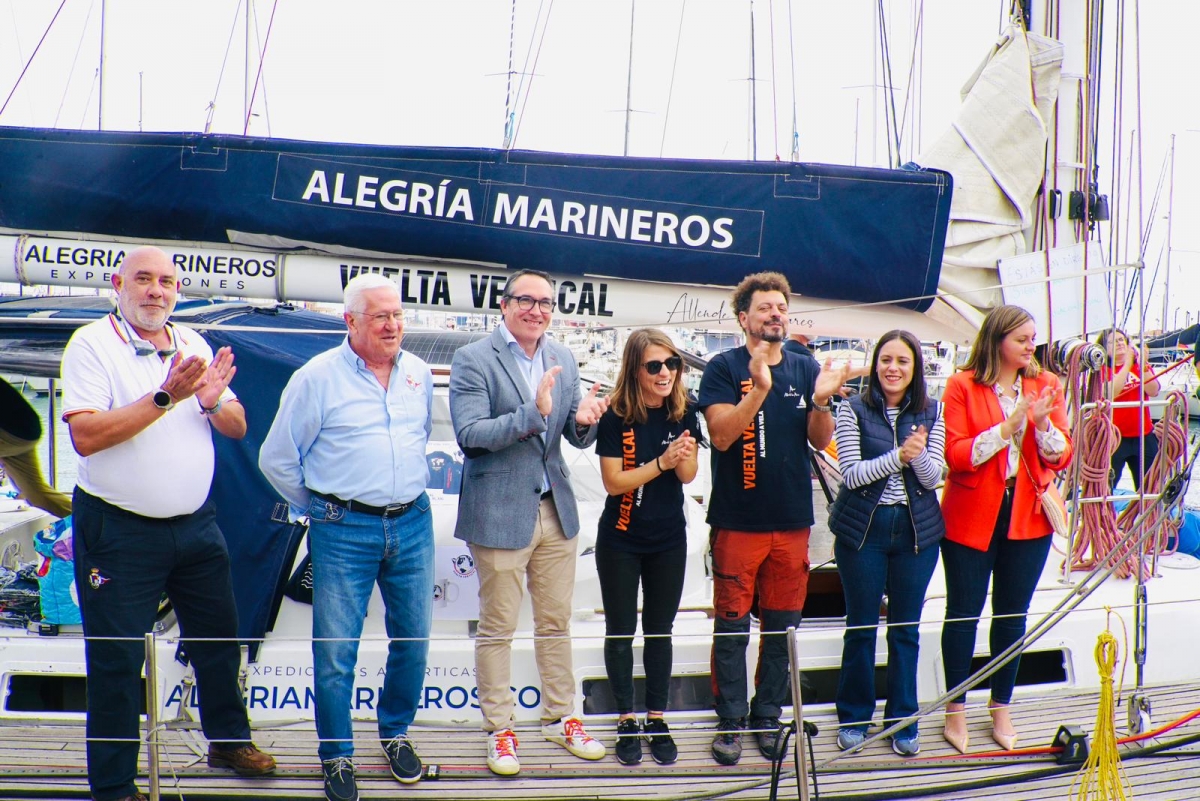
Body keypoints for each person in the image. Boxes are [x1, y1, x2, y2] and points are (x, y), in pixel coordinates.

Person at [61, 247, 275, 801]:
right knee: (117, 658)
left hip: (194, 525)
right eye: (144, 280)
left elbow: (235, 424)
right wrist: (165, 397)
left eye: (167, 282)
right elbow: (86, 436)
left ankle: (227, 739)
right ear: (118, 284)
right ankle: (112, 785)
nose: (157, 291)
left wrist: (207, 402)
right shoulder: (91, 345)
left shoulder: (193, 343)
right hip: (119, 530)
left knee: (219, 640)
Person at [259, 273, 435, 801]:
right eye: (379, 316)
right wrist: (322, 506)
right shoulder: (317, 378)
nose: (392, 325)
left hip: (413, 521)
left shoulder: (419, 373)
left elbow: (419, 437)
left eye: (397, 314)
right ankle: (336, 755)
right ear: (350, 321)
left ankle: (396, 732)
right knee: (336, 651)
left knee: (414, 641)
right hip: (344, 528)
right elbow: (277, 459)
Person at [449, 269, 611, 776]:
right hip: (498, 512)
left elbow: (568, 434)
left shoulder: (561, 356)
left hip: (555, 510)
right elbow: (470, 435)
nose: (536, 310)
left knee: (555, 623)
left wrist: (585, 422)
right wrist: (532, 411)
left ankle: (561, 717)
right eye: (526, 300)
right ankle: (499, 730)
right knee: (497, 628)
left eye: (545, 302)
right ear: (504, 305)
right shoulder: (472, 359)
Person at [699, 271, 853, 766]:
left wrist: (822, 398)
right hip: (737, 523)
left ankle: (767, 716)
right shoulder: (723, 368)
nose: (775, 315)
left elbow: (817, 438)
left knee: (782, 627)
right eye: (765, 308)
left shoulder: (806, 368)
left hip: (791, 523)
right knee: (731, 627)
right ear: (744, 318)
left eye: (781, 308)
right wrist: (759, 389)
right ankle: (730, 722)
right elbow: (722, 436)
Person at [938, 304, 1073, 754]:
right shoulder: (961, 386)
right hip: (970, 515)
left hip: (1027, 515)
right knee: (963, 613)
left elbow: (1060, 456)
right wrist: (1008, 426)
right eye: (1021, 338)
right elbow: (956, 456)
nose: (1030, 344)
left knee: (1012, 615)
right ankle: (955, 709)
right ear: (997, 340)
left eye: (1032, 336)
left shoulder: (1045, 385)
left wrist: (1039, 425)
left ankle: (1001, 706)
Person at [827, 330, 946, 757]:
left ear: (914, 369)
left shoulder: (933, 411)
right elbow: (853, 475)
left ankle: (903, 720)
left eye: (902, 361)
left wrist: (919, 456)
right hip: (864, 532)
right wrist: (898, 456)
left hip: (916, 534)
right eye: (886, 360)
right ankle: (854, 717)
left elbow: (935, 479)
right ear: (875, 365)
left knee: (905, 630)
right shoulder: (851, 408)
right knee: (860, 627)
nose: (893, 368)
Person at [595, 329, 701, 766]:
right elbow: (614, 482)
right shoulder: (616, 417)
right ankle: (625, 718)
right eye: (654, 366)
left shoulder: (684, 412)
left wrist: (682, 456)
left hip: (667, 540)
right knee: (620, 633)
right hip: (620, 538)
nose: (665, 373)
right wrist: (661, 462)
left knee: (660, 632)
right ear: (635, 370)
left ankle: (656, 717)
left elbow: (689, 476)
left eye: (672, 364)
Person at [0, 377, 73, 518]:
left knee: (35, 492)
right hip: (28, 430)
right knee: (36, 493)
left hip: (9, 433)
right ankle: (89, 525)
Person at [1097, 328, 1160, 490]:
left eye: (1121, 340)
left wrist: (1143, 365)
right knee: (1107, 487)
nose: (1118, 344)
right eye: (1113, 341)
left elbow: (1153, 391)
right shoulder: (1103, 371)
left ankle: (1148, 515)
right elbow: (1109, 393)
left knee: (1149, 487)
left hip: (1144, 436)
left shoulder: (1140, 367)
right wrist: (1126, 365)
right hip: (1115, 439)